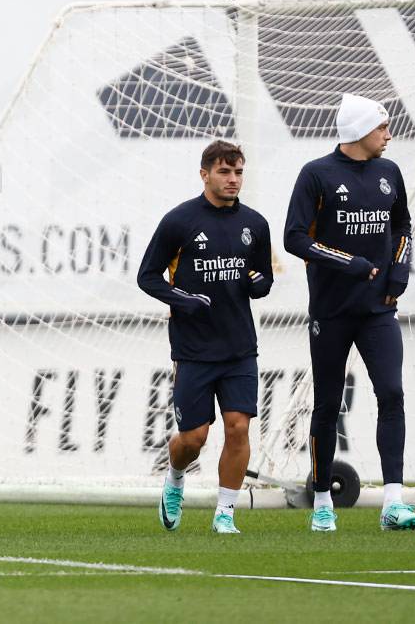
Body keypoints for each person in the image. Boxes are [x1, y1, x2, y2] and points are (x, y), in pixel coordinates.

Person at [284, 93, 415, 533]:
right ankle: (323, 501)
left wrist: (399, 271)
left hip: (378, 311)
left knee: (392, 393)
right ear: (360, 130)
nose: (388, 135)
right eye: (382, 127)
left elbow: (402, 226)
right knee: (327, 404)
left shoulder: (389, 172)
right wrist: (350, 263)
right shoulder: (316, 175)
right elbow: (294, 238)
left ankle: (393, 503)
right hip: (331, 312)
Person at [137, 140, 272, 534]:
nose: (233, 179)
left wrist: (259, 283)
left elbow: (262, 278)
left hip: (240, 347)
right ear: (204, 174)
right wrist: (184, 300)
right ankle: (175, 477)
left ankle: (225, 513)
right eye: (224, 172)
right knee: (193, 438)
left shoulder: (255, 224)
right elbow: (147, 277)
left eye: (238, 172)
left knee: (238, 427)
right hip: (193, 348)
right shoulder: (179, 221)